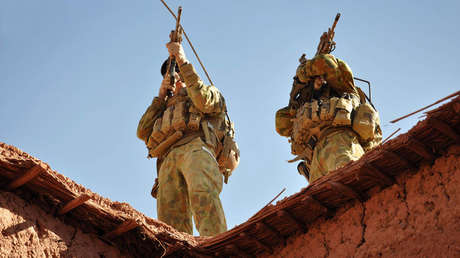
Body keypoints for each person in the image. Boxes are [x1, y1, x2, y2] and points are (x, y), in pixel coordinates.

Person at [137, 41, 239, 236]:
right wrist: (160, 98)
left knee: (202, 194)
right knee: (169, 217)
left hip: (196, 147)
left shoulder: (207, 92)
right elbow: (142, 131)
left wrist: (183, 62)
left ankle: (216, 245)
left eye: (176, 73)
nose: (173, 77)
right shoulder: (164, 107)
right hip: (167, 158)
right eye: (169, 74)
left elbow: (205, 100)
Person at [275, 52, 382, 183]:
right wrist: (301, 93)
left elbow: (325, 62)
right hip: (315, 157)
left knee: (352, 181)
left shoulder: (344, 88)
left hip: (340, 141)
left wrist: (303, 72)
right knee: (324, 199)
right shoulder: (307, 101)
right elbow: (281, 124)